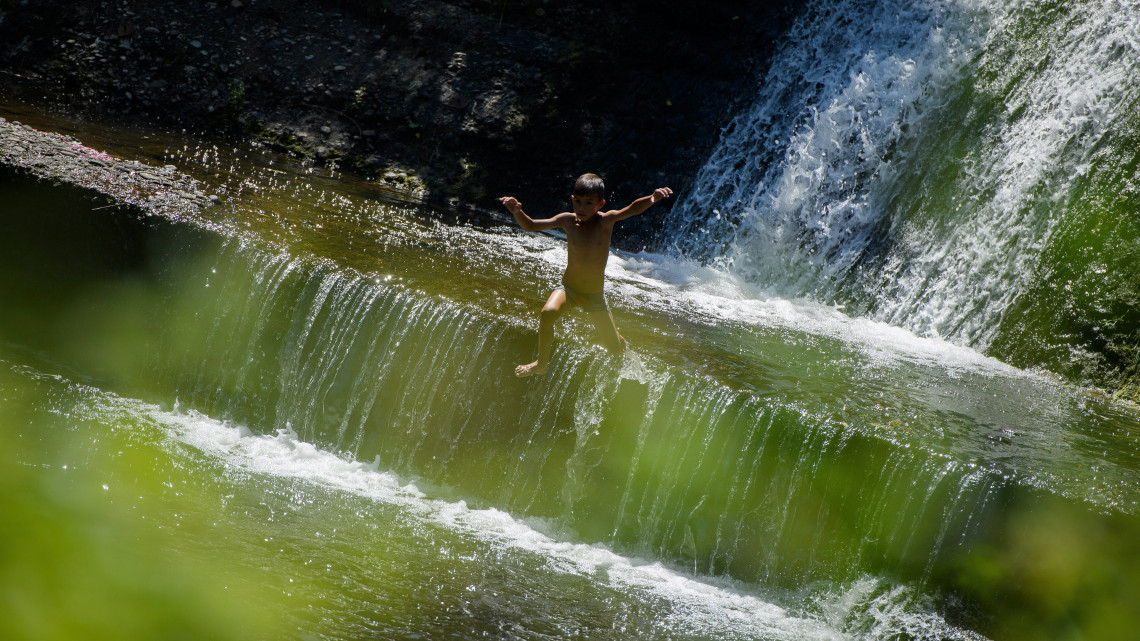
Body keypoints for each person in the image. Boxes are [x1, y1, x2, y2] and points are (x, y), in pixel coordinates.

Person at [499, 173, 673, 377]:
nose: (581, 209)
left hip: (594, 297)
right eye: (578, 202)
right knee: (547, 314)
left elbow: (632, 208)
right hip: (568, 289)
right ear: (572, 200)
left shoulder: (606, 221)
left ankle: (617, 338)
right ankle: (541, 363)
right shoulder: (567, 220)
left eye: (589, 203)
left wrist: (652, 198)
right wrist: (517, 211)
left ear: (600, 204)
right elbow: (531, 226)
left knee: (615, 349)